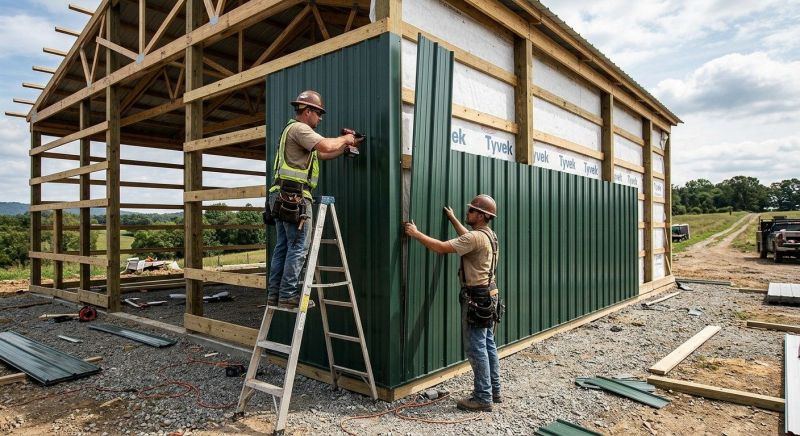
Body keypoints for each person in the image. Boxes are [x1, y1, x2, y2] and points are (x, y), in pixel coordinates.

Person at [404, 194, 502, 412]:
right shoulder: (489, 235)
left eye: (471, 211)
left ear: (482, 215)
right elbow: (468, 238)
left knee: (477, 348)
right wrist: (454, 219)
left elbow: (440, 247)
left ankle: (482, 397)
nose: (468, 213)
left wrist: (416, 233)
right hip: (490, 294)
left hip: (477, 298)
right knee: (488, 345)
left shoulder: (475, 237)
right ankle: (494, 391)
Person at [266, 90, 362, 309]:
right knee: (299, 247)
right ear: (307, 111)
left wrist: (346, 146)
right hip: (294, 197)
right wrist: (345, 138)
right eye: (319, 114)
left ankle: (276, 295)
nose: (320, 119)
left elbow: (324, 154)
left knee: (283, 246)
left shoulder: (291, 131)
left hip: (281, 196)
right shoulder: (300, 128)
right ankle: (289, 296)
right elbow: (326, 145)